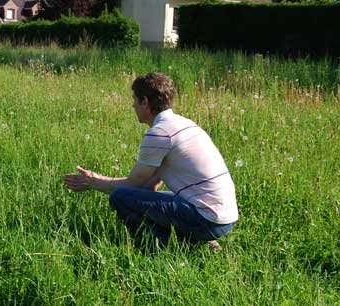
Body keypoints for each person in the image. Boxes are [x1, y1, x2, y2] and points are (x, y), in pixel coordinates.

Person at [63, 72, 238, 249]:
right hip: (224, 216)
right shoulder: (184, 124)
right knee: (148, 197)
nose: (132, 105)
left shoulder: (160, 133)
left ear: (145, 102)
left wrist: (93, 181)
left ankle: (167, 246)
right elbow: (149, 185)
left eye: (134, 99)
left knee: (120, 197)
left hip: (207, 218)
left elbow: (133, 184)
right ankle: (200, 241)